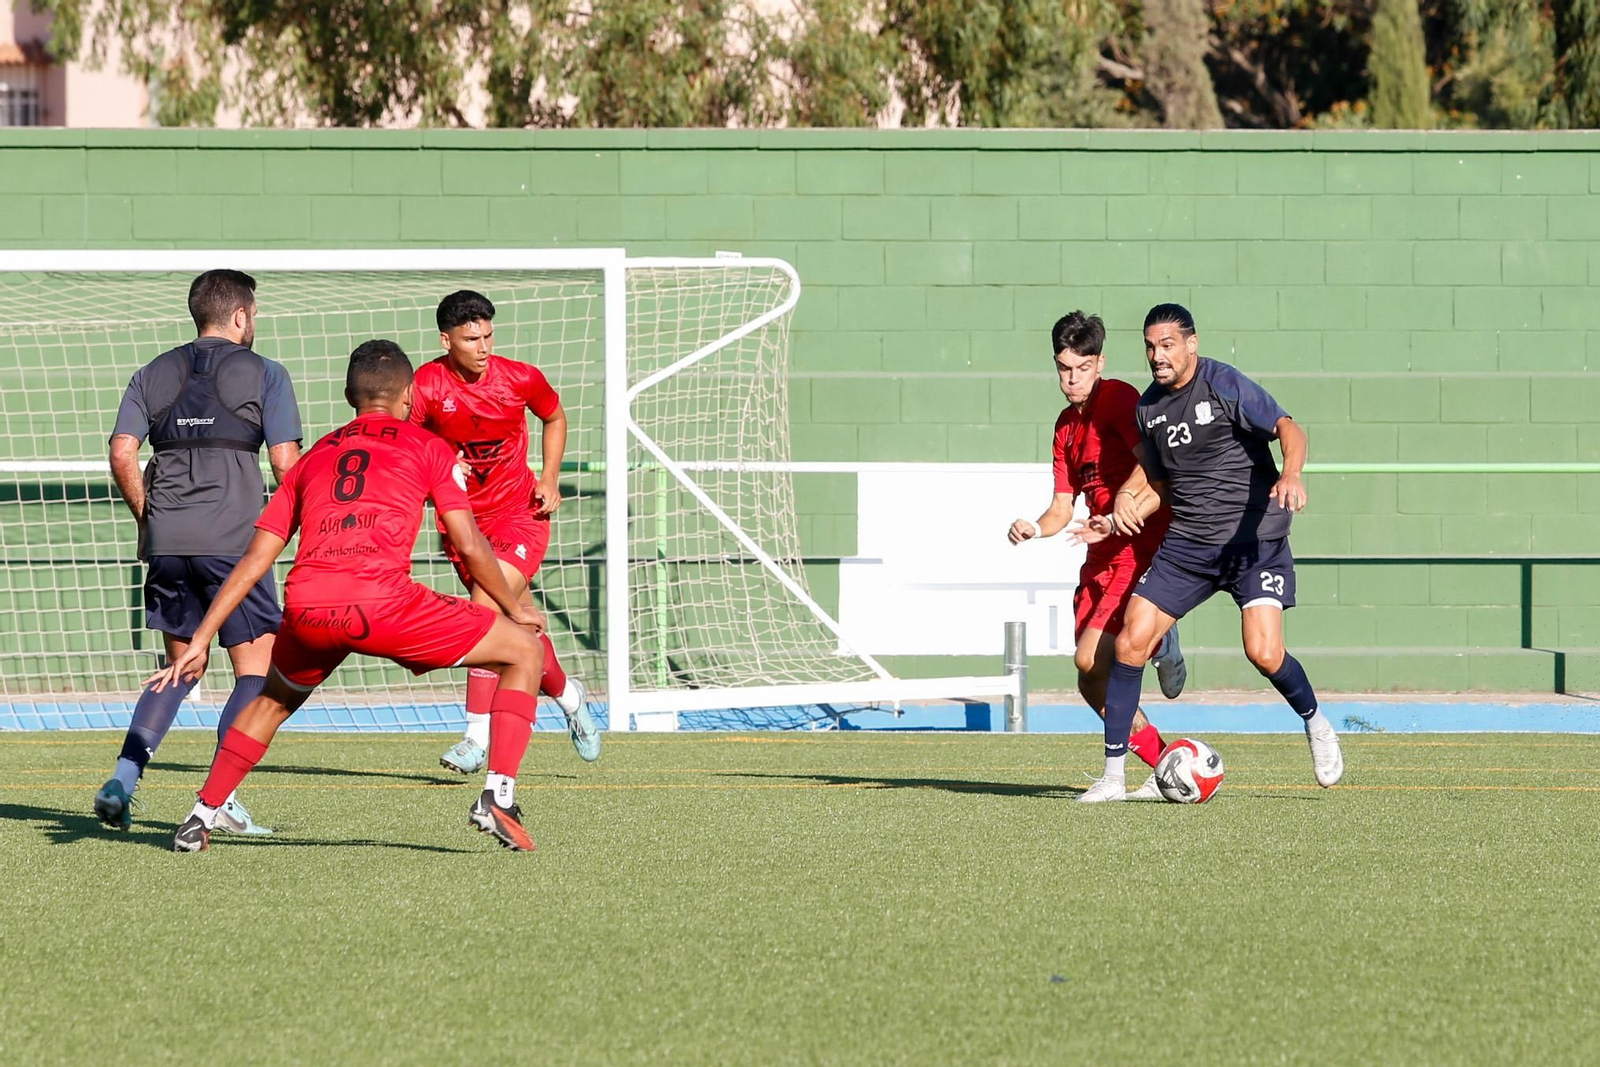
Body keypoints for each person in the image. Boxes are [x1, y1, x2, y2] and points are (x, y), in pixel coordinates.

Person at [153, 341, 552, 852]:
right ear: (409, 395)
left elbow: (254, 559)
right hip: (385, 604)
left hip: (309, 608)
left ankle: (200, 816)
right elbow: (471, 544)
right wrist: (515, 608)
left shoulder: (314, 457)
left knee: (272, 701)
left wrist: (201, 639)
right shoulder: (428, 446)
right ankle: (498, 796)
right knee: (524, 652)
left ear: (348, 397)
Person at [1078, 303, 1343, 803]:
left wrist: (1290, 474)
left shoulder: (1223, 384)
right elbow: (1159, 487)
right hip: (1189, 547)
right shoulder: (1149, 409)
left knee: (1263, 652)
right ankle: (1113, 777)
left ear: (1191, 344)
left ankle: (1317, 723)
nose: (1158, 356)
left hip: (1254, 543)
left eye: (1167, 345)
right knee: (1131, 644)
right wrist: (1119, 516)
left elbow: (1290, 428)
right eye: (1150, 347)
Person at [94, 269, 301, 835]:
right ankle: (219, 797)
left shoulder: (153, 370)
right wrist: (303, 526)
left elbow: (122, 453)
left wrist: (149, 519)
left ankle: (123, 779)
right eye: (254, 314)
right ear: (240, 315)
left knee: (182, 667)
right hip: (233, 543)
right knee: (257, 674)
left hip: (167, 542)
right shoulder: (267, 372)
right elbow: (284, 462)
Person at [408, 290, 598, 773]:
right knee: (519, 629)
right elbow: (410, 442)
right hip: (463, 523)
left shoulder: (520, 378)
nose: (484, 347)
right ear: (446, 340)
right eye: (472, 339)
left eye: (489, 336)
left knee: (483, 612)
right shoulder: (426, 384)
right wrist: (439, 461)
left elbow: (554, 416)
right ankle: (571, 698)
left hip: (520, 515)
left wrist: (549, 477)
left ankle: (475, 737)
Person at [1008, 311, 1186, 798]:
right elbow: (1061, 508)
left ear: (1099, 364)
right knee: (1090, 682)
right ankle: (1167, 764)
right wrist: (1034, 528)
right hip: (1098, 555)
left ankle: (1157, 638)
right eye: (1064, 368)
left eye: (1082, 368)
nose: (1072, 379)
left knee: (1090, 657)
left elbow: (1154, 469)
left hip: (1138, 546)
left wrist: (1121, 510)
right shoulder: (1065, 427)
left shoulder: (1119, 400)